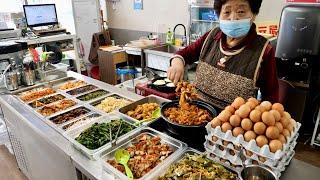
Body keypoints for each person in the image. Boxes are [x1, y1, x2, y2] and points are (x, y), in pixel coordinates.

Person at [167, 0, 279, 108]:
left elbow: (271, 98)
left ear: (254, 14)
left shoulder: (264, 50)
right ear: (219, 15)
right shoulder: (211, 36)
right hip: (195, 116)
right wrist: (177, 63)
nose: (233, 18)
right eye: (227, 12)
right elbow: (184, 54)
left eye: (241, 11)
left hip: (232, 125)